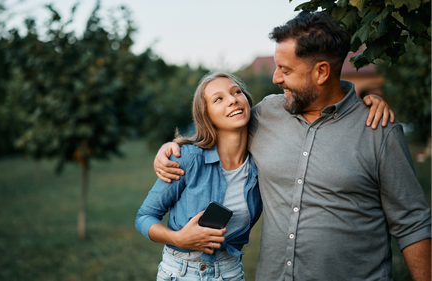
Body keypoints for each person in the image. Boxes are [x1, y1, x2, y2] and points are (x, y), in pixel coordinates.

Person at [153, 11, 432, 281]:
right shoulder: (264, 115)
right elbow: (217, 130)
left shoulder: (376, 130)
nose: (275, 78)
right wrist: (172, 146)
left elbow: (413, 223)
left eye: (285, 70)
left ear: (322, 72)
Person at [136, 72, 263, 280]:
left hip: (230, 273)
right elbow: (144, 217)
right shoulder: (188, 158)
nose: (232, 100)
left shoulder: (261, 166)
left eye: (236, 92)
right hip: (180, 272)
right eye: (218, 99)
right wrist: (178, 238)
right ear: (207, 115)